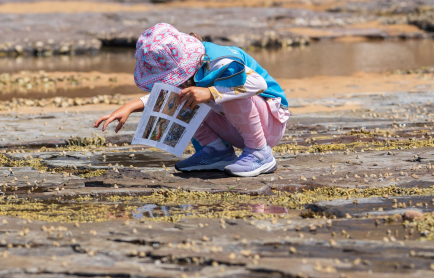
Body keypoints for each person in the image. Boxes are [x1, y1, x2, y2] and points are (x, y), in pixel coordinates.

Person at [93, 23, 289, 177]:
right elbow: (168, 95)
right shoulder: (190, 72)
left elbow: (259, 84)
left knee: (224, 91)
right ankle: (217, 151)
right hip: (236, 129)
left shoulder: (220, 60)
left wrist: (212, 93)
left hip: (268, 127)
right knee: (182, 95)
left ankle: (260, 154)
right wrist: (131, 106)